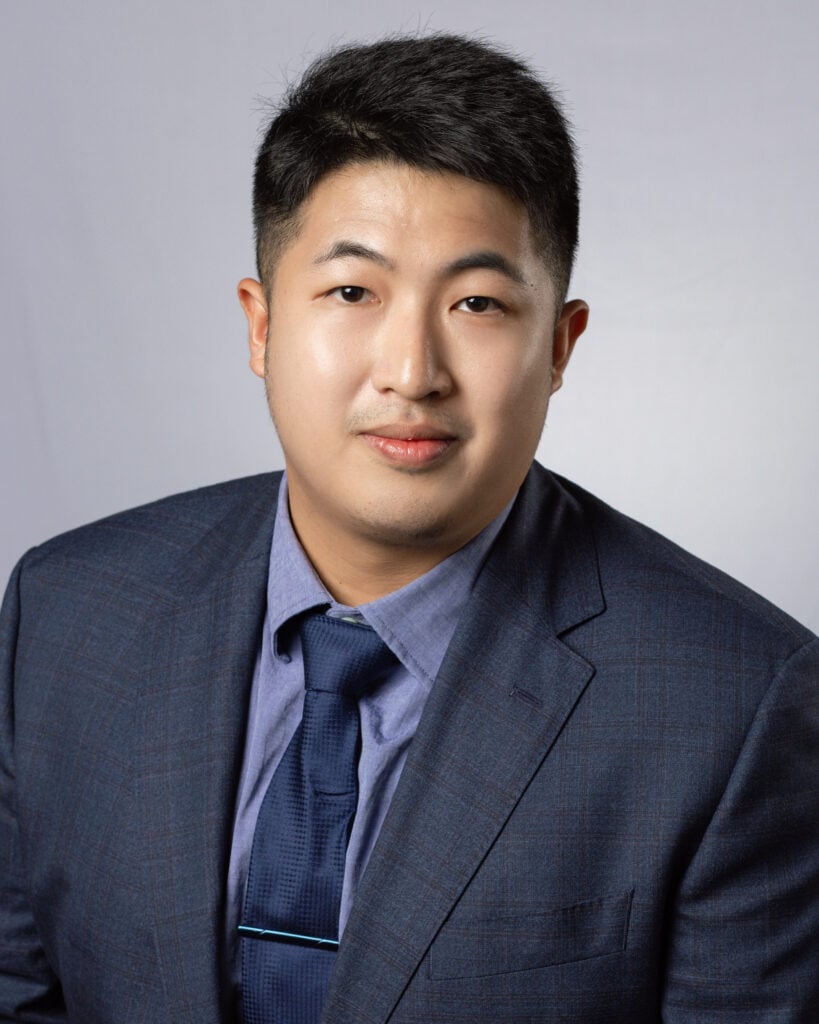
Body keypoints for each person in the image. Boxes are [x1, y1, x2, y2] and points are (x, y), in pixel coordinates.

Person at [1, 32, 817, 1024]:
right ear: (260, 325)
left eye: (477, 301)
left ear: (559, 345)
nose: (410, 369)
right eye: (352, 292)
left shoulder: (736, 704)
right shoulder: (62, 615)